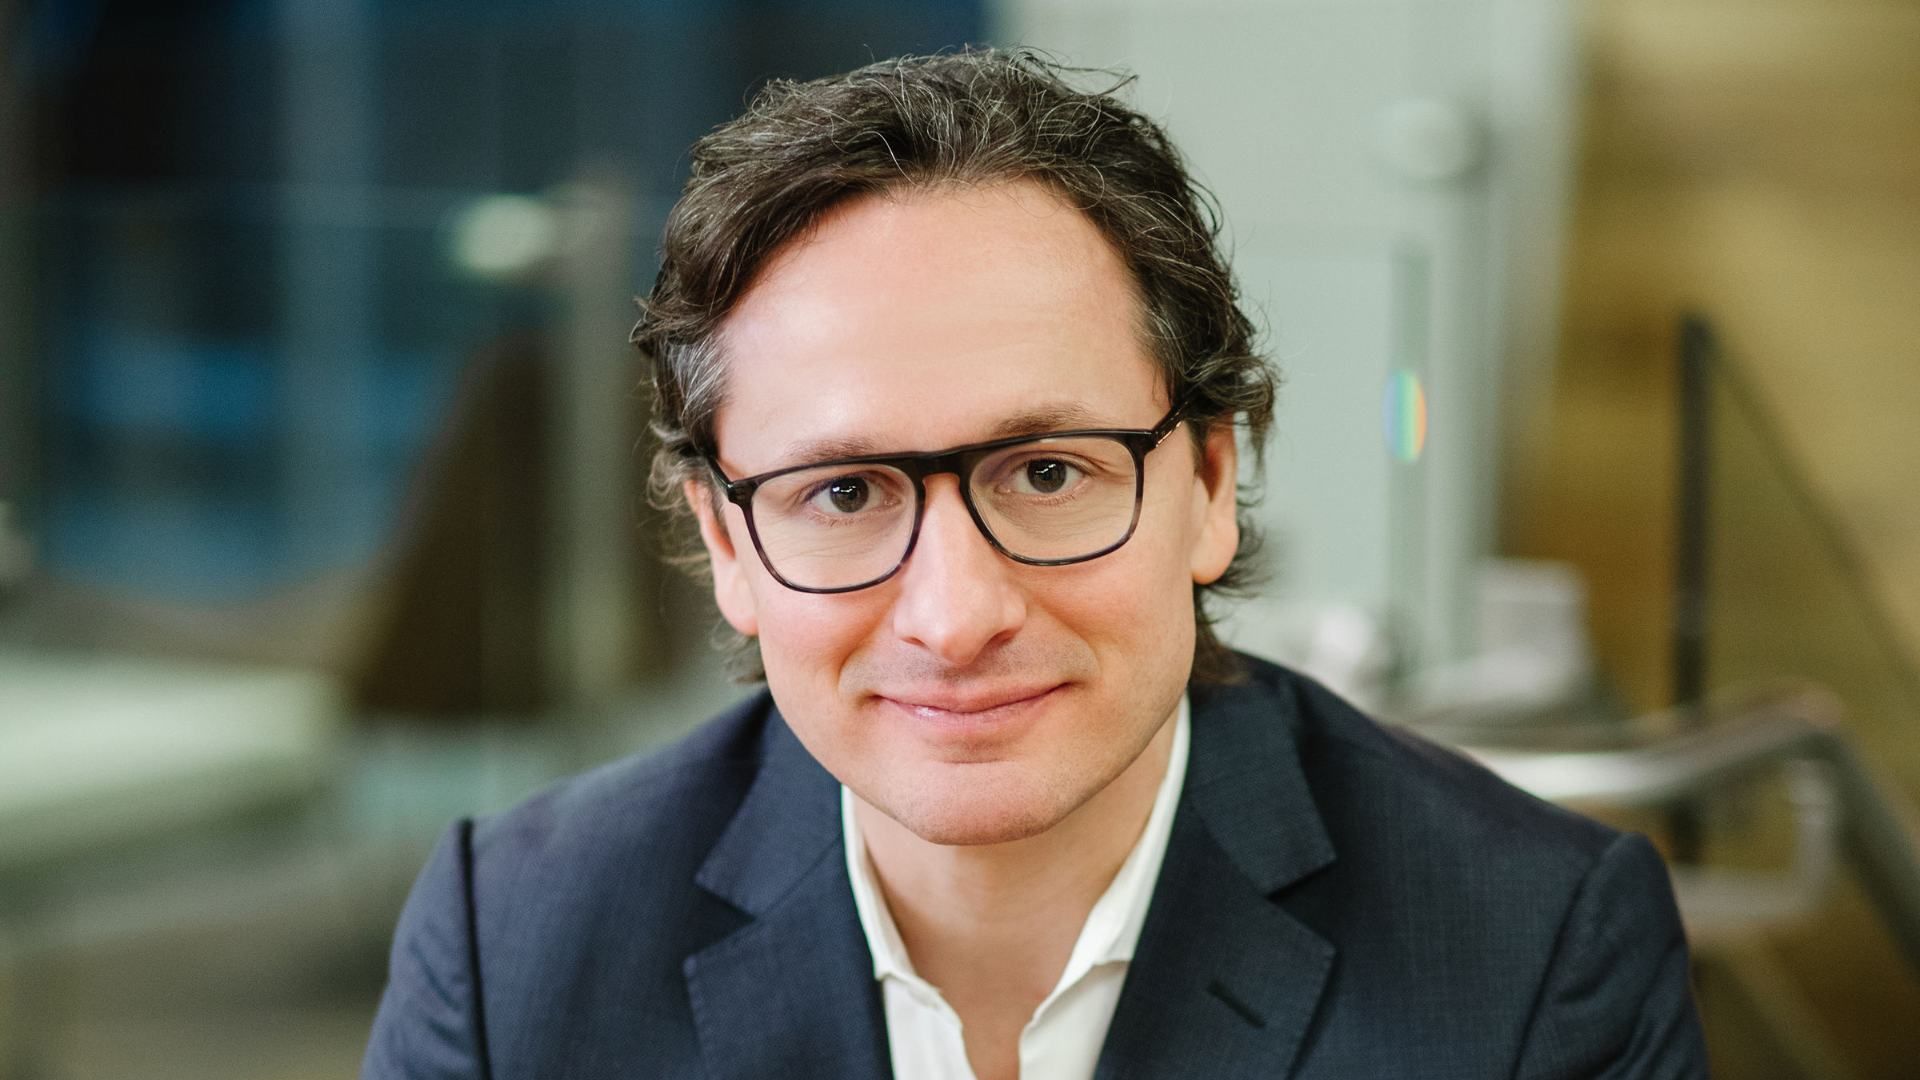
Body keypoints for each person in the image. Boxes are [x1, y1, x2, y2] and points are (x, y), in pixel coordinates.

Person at [363, 49, 1708, 1080]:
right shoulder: (520, 950)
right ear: (727, 544)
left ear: (1208, 484)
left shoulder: (1535, 950)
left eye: (1049, 473)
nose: (956, 617)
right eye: (844, 491)